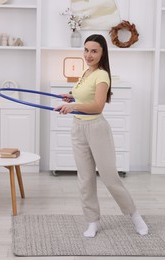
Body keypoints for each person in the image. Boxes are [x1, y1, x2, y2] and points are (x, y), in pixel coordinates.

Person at [54, 34, 148, 238]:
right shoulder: (86, 72)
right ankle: (92, 221)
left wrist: (73, 105)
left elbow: (97, 106)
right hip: (78, 129)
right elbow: (83, 95)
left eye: (94, 51)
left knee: (109, 177)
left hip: (97, 129)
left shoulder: (102, 75)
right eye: (86, 50)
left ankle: (135, 216)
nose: (89, 55)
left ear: (103, 53)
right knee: (85, 179)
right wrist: (72, 96)